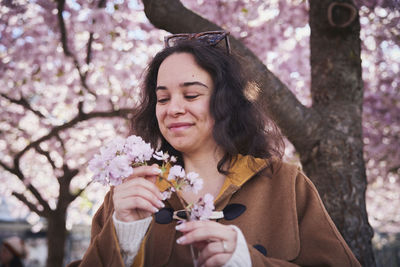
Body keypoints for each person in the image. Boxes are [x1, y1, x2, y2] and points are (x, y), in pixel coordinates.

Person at [70, 31, 361, 267]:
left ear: (226, 101)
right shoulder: (131, 190)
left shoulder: (285, 184)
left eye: (191, 94)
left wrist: (248, 262)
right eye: (162, 99)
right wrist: (124, 235)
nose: (173, 109)